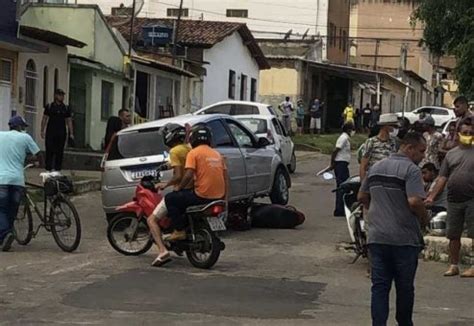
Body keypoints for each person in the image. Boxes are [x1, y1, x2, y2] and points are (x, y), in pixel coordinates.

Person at [358, 132, 429, 326]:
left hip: (377, 238)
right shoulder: (412, 170)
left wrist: (377, 210)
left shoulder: (376, 167)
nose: (423, 156)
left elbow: (362, 196)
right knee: (405, 288)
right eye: (421, 151)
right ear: (409, 148)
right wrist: (424, 217)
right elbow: (414, 201)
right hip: (403, 239)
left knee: (379, 287)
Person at [426, 117, 474, 278]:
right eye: (465, 132)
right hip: (453, 200)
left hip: (472, 199)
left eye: (470, 133)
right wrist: (431, 196)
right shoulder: (451, 155)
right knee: (453, 235)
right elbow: (442, 178)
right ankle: (454, 265)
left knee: (473, 234)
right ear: (458, 134)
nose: (468, 135)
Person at [164, 125, 228, 241]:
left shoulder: (193, 153)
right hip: (219, 197)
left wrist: (179, 188)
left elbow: (188, 175)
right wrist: (225, 198)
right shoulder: (217, 154)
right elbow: (226, 178)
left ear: (193, 139)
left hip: (201, 195)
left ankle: (179, 230)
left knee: (170, 198)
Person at [147, 124, 191, 267]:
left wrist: (164, 184)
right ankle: (177, 244)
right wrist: (163, 166)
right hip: (193, 190)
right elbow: (177, 163)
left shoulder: (174, 151)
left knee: (152, 220)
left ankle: (162, 250)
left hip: (181, 190)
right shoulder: (189, 148)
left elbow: (178, 175)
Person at [0, 116, 40, 252]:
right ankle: (5, 237)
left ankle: (6, 234)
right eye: (23, 126)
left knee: (1, 209)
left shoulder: (0, 135)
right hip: (18, 180)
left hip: (2, 180)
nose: (23, 129)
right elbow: (38, 154)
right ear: (19, 127)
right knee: (12, 209)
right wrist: (34, 161)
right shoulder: (25, 137)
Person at [40, 89, 73, 172]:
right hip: (51, 132)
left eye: (62, 95)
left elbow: (69, 120)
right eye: (60, 95)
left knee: (60, 151)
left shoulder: (66, 108)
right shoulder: (49, 107)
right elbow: (44, 119)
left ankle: (57, 169)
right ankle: (48, 168)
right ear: (55, 96)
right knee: (49, 150)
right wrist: (42, 130)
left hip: (61, 132)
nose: (62, 97)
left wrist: (71, 133)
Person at [359, 113, 400, 180]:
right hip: (374, 179)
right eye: (393, 126)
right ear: (385, 126)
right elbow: (363, 165)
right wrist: (363, 184)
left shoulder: (393, 142)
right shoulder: (371, 142)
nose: (395, 129)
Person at [331, 122, 355, 217]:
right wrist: (332, 163)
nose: (353, 131)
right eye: (353, 129)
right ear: (349, 130)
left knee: (345, 186)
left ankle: (342, 208)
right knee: (342, 187)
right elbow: (335, 150)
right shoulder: (343, 138)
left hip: (343, 164)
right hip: (340, 164)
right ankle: (339, 209)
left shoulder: (346, 138)